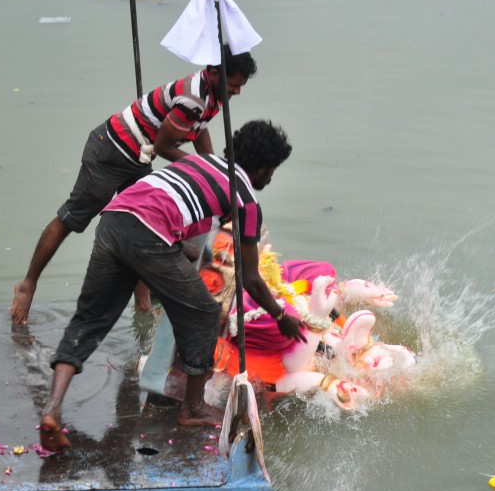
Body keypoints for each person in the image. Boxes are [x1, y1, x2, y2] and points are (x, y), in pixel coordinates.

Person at [39, 119, 305, 452]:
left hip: (113, 221)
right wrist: (281, 316)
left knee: (90, 320)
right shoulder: (247, 201)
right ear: (265, 166)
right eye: (272, 170)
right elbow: (250, 278)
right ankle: (192, 407)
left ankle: (51, 410)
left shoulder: (196, 161)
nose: (271, 178)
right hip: (147, 236)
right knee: (205, 312)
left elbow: (174, 209)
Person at [10, 46, 258, 326]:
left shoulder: (214, 95)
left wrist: (212, 165)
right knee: (72, 218)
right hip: (111, 151)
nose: (236, 92)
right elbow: (164, 146)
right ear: (214, 73)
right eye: (234, 85)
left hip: (139, 156)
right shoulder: (193, 98)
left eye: (239, 87)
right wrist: (203, 170)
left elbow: (199, 128)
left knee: (142, 222)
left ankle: (142, 302)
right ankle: (28, 284)